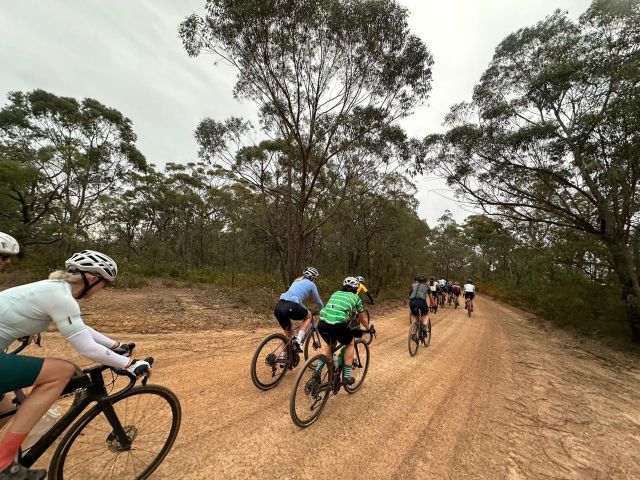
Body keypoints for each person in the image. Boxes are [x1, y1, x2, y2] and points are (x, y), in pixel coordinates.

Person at [0, 250, 150, 480]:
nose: (103, 290)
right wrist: (129, 364)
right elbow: (86, 348)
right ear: (92, 279)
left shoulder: (54, 289)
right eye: (105, 284)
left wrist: (115, 344)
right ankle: (2, 464)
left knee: (4, 410)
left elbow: (79, 327)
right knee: (62, 372)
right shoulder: (60, 297)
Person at [311, 277, 370, 386]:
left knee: (330, 344)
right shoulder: (356, 298)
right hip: (338, 325)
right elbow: (362, 318)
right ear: (356, 288)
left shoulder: (335, 293)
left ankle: (317, 372)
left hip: (322, 324)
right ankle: (347, 376)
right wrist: (368, 328)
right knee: (350, 342)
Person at [273, 267, 324, 352]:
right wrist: (323, 310)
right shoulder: (312, 284)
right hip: (290, 306)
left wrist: (304, 309)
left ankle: (282, 359)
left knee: (288, 336)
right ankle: (299, 340)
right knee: (309, 317)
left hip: (279, 307)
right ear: (312, 277)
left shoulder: (296, 281)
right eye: (315, 278)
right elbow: (318, 301)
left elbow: (296, 300)